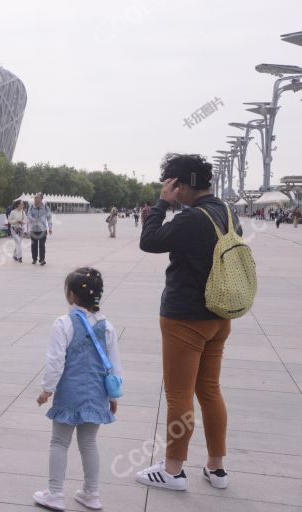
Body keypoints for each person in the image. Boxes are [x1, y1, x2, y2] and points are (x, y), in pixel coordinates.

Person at [138, 153, 241, 491]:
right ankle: (216, 467)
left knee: (179, 395)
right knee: (210, 390)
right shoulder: (227, 213)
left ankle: (172, 469)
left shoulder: (192, 218)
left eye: (173, 185)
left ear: (183, 184)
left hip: (185, 318)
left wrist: (161, 204)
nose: (172, 191)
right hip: (219, 316)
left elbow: (150, 241)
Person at [33, 268, 121, 511]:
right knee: (89, 443)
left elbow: (55, 362)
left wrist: (46, 390)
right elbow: (114, 364)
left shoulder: (63, 323)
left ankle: (55, 493)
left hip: (70, 394)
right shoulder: (108, 326)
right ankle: (91, 494)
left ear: (71, 296)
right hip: (97, 394)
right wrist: (113, 395)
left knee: (60, 442)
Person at [27, 193, 53, 266]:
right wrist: (34, 220)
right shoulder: (31, 206)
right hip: (33, 229)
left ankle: (42, 259)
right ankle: (34, 258)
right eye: (35, 197)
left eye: (37, 197)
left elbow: (49, 218)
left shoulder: (45, 207)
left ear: (41, 199)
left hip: (43, 230)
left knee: (42, 245)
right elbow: (28, 215)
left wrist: (50, 228)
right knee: (34, 245)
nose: (35, 199)